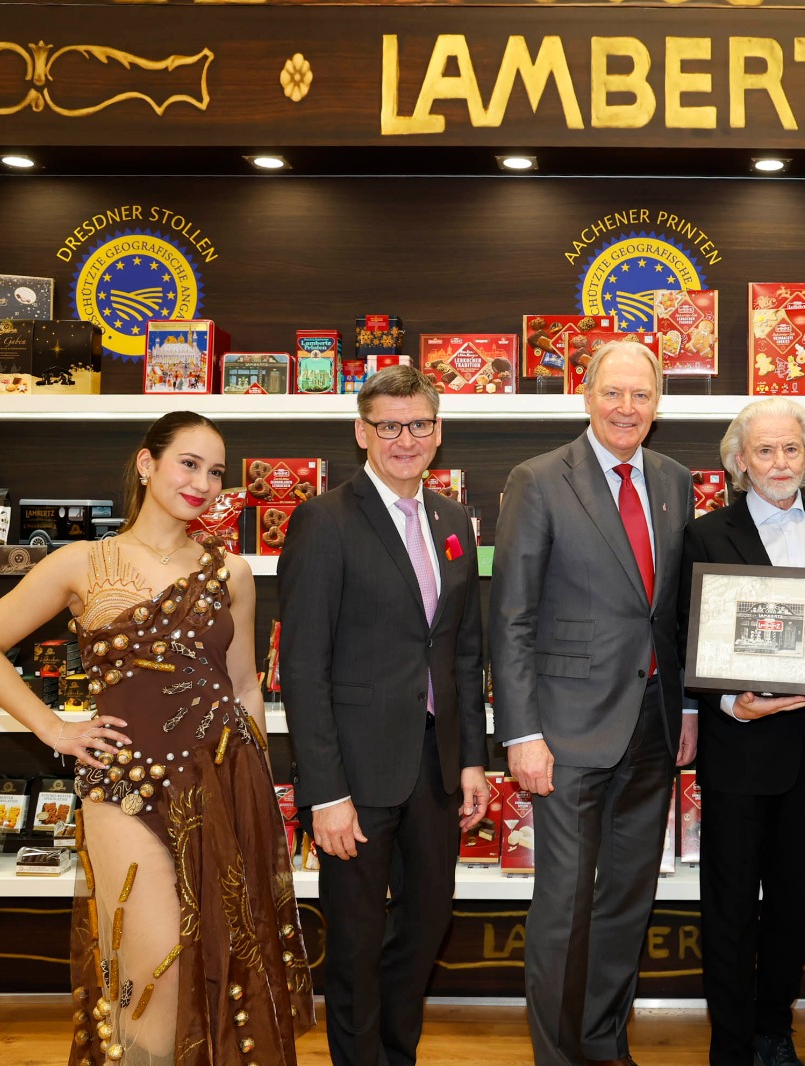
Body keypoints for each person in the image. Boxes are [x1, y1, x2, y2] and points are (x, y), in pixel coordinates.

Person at [0, 411, 314, 1065]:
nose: (203, 483)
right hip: (125, 787)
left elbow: (243, 687)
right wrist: (55, 728)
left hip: (224, 782)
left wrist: (260, 794)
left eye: (216, 472)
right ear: (147, 465)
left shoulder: (231, 572)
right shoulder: (81, 563)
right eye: (189, 463)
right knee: (153, 975)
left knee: (226, 963)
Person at [491, 339, 696, 1066]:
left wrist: (688, 710)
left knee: (627, 903)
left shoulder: (674, 480)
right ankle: (557, 1056)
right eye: (614, 393)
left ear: (657, 404)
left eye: (641, 395)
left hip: (653, 726)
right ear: (586, 396)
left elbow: (674, 613)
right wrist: (521, 732)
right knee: (565, 906)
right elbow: (511, 616)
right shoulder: (539, 479)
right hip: (566, 733)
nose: (626, 408)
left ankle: (605, 1045)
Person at [279, 365, 491, 1066]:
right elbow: (303, 668)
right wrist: (325, 793)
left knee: (427, 927)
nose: (406, 439)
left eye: (419, 424)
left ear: (438, 431)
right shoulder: (324, 520)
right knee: (356, 940)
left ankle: (397, 1055)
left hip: (435, 767)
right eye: (389, 426)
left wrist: (472, 760)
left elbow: (462, 649)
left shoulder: (453, 521)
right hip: (356, 776)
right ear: (361, 433)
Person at [676, 398, 805, 1066]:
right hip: (741, 750)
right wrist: (732, 702)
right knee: (728, 909)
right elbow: (687, 634)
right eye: (765, 450)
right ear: (740, 462)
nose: (780, 462)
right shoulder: (706, 534)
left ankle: (773, 1032)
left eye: (792, 449)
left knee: (792, 905)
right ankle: (729, 1046)